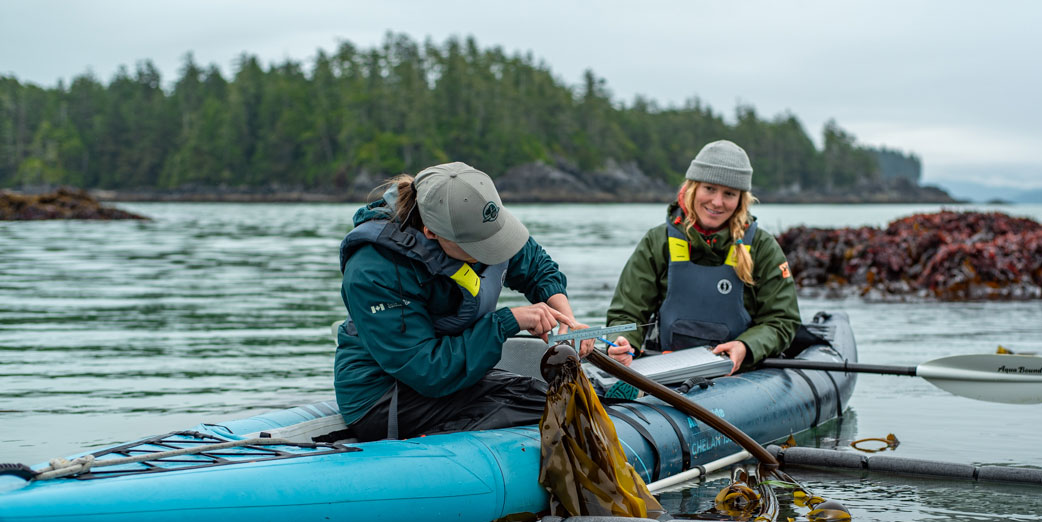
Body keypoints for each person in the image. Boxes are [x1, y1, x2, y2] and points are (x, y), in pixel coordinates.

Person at [335, 161, 593, 441]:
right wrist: (508, 322)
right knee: (544, 401)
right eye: (478, 247)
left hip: (456, 375)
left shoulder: (481, 220)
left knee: (565, 393)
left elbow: (535, 266)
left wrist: (569, 321)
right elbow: (427, 369)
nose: (492, 251)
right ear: (431, 232)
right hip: (387, 396)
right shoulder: (374, 269)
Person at [605, 140, 800, 374]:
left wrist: (746, 346)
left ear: (740, 199)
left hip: (739, 375)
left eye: (729, 193)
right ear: (692, 188)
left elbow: (782, 321)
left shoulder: (762, 247)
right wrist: (623, 341)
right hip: (667, 369)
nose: (717, 202)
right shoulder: (657, 241)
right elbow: (628, 313)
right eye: (709, 188)